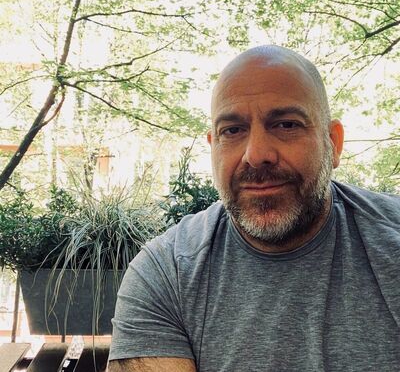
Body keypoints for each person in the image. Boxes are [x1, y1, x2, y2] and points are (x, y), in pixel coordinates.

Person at [108, 45, 400, 372]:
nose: (257, 154)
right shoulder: (167, 273)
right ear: (213, 147)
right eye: (232, 131)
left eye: (286, 125)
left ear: (333, 143)